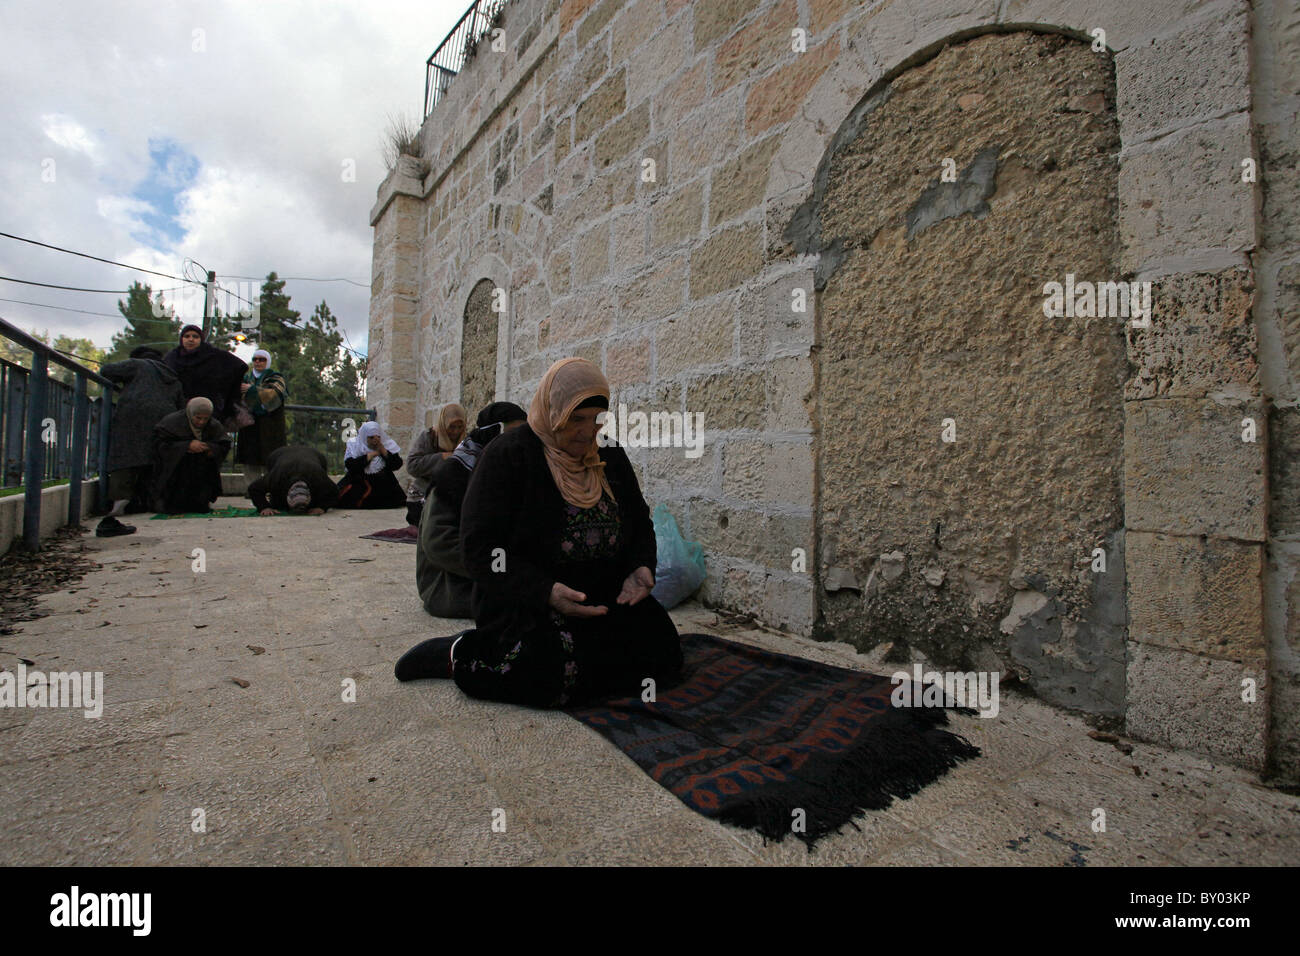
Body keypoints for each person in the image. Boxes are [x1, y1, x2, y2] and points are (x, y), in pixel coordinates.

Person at [395, 358, 682, 709]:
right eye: (576, 419)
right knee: (548, 672)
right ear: (551, 411)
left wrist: (640, 567)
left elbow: (639, 522)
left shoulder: (609, 456)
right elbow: (481, 548)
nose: (587, 431)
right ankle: (458, 653)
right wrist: (543, 591)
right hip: (528, 599)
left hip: (601, 593)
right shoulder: (509, 456)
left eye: (595, 420)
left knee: (663, 655)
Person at [416, 401, 527, 618]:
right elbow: (438, 542)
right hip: (451, 586)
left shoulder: (508, 471)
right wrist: (501, 568)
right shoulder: (453, 476)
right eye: (511, 435)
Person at [95, 346, 186, 537]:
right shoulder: (172, 376)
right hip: (164, 420)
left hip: (132, 418)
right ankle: (151, 501)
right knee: (156, 460)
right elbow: (181, 405)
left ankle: (120, 502)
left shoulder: (136, 364)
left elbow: (106, 371)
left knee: (125, 458)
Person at [150, 397, 231, 514]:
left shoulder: (214, 425)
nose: (201, 422)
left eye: (205, 419)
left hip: (200, 475)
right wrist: (186, 446)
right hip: (176, 474)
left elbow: (223, 444)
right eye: (198, 418)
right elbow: (159, 446)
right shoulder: (170, 423)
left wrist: (209, 448)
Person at [162, 325, 247, 425]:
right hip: (179, 409)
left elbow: (239, 367)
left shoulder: (212, 355)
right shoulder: (172, 357)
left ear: (201, 339)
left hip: (208, 410)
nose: (191, 339)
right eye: (187, 336)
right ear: (181, 339)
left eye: (195, 336)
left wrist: (227, 393)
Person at [404, 402, 467, 526]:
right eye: (452, 427)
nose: (455, 432)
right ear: (444, 424)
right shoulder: (430, 437)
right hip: (423, 495)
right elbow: (412, 465)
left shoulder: (465, 441)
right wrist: (441, 458)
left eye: (460, 427)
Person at [234, 349, 287, 482]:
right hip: (249, 426)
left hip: (270, 426)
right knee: (249, 460)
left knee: (271, 459)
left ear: (267, 361)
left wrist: (252, 390)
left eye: (261, 359)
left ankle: (271, 490)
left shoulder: (275, 377)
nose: (258, 362)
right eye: (255, 359)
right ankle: (253, 490)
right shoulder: (245, 378)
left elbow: (274, 395)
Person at [247, 444, 338, 516]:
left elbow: (334, 491)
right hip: (279, 454)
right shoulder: (276, 476)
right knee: (277, 504)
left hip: (314, 455)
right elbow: (254, 488)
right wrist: (264, 507)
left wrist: (322, 507)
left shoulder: (318, 476)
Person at [335, 421, 406, 509]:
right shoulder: (355, 445)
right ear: (365, 437)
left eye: (378, 437)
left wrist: (383, 450)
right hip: (359, 482)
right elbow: (351, 466)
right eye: (371, 437)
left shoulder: (387, 445)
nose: (375, 440)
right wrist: (370, 455)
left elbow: (396, 464)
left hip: (383, 484)